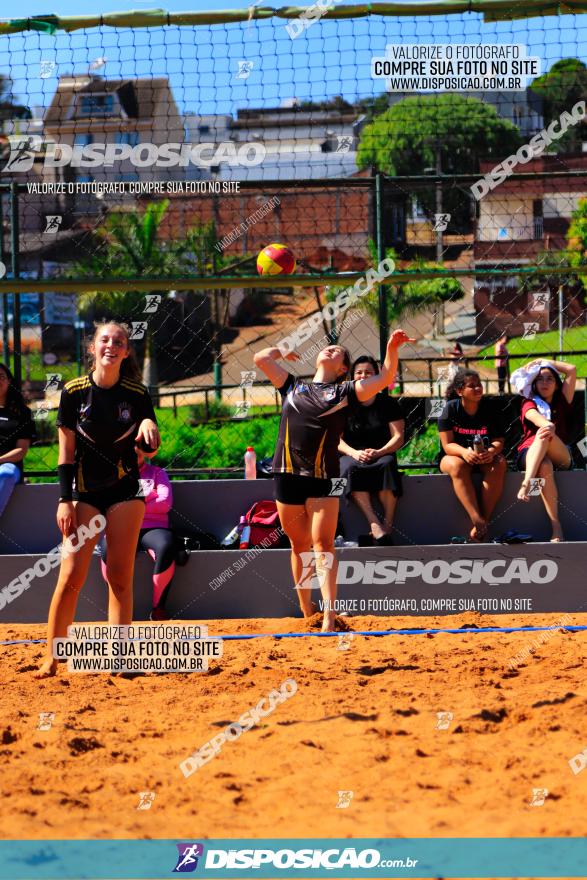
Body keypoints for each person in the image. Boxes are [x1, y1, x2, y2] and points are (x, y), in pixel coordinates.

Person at [254, 330, 414, 632]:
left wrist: (392, 348)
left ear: (343, 368)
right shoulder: (293, 386)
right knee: (299, 544)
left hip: (323, 476)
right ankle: (306, 609)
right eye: (328, 348)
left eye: (338, 351)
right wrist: (281, 352)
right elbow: (260, 359)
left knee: (323, 543)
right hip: (287, 472)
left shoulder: (346, 392)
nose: (330, 350)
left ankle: (329, 615)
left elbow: (385, 377)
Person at [36, 321, 160, 677]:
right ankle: (53, 657)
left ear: (126, 351)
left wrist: (150, 430)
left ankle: (119, 658)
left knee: (120, 577)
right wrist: (64, 500)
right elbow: (65, 454)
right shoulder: (74, 392)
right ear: (92, 348)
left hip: (125, 492)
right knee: (71, 575)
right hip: (85, 494)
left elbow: (148, 445)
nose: (111, 345)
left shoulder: (137, 393)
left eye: (119, 341)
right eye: (105, 339)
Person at [100, 450, 175, 621]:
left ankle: (158, 609)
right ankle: (117, 609)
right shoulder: (113, 474)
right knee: (107, 550)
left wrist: (129, 503)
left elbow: (165, 503)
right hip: (121, 526)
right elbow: (108, 505)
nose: (134, 451)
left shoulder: (157, 473)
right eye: (129, 447)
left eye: (138, 448)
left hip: (153, 527)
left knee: (166, 547)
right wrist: (150, 495)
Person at [338, 356, 404, 544]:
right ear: (352, 377)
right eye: (359, 372)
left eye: (369, 372)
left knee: (387, 464)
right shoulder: (344, 403)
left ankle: (388, 525)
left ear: (377, 377)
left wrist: (380, 452)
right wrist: (354, 453)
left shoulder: (388, 404)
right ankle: (374, 524)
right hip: (352, 453)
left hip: (382, 453)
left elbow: (398, 437)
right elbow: (336, 439)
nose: (363, 376)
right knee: (351, 468)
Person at [438, 368, 507, 542]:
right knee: (458, 466)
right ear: (460, 391)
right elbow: (447, 445)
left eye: (479, 385)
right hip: (455, 456)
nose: (478, 389)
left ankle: (483, 521)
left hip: (482, 456)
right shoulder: (448, 409)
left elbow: (499, 439)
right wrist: (464, 452)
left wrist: (491, 452)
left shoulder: (490, 407)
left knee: (499, 464)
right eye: (472, 386)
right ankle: (476, 517)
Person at [513, 359, 576, 542]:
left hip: (559, 453)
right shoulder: (528, 402)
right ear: (534, 383)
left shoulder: (562, 400)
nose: (545, 383)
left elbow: (571, 369)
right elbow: (535, 417)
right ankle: (556, 527)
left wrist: (543, 361)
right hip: (530, 452)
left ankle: (526, 483)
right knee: (545, 466)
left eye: (550, 379)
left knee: (545, 434)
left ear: (557, 385)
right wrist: (548, 425)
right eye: (540, 379)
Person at [0, 362, 35, 517]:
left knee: (5, 474)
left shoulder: (22, 412)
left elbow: (21, 450)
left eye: (1, 376)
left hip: (8, 466)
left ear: (9, 381)